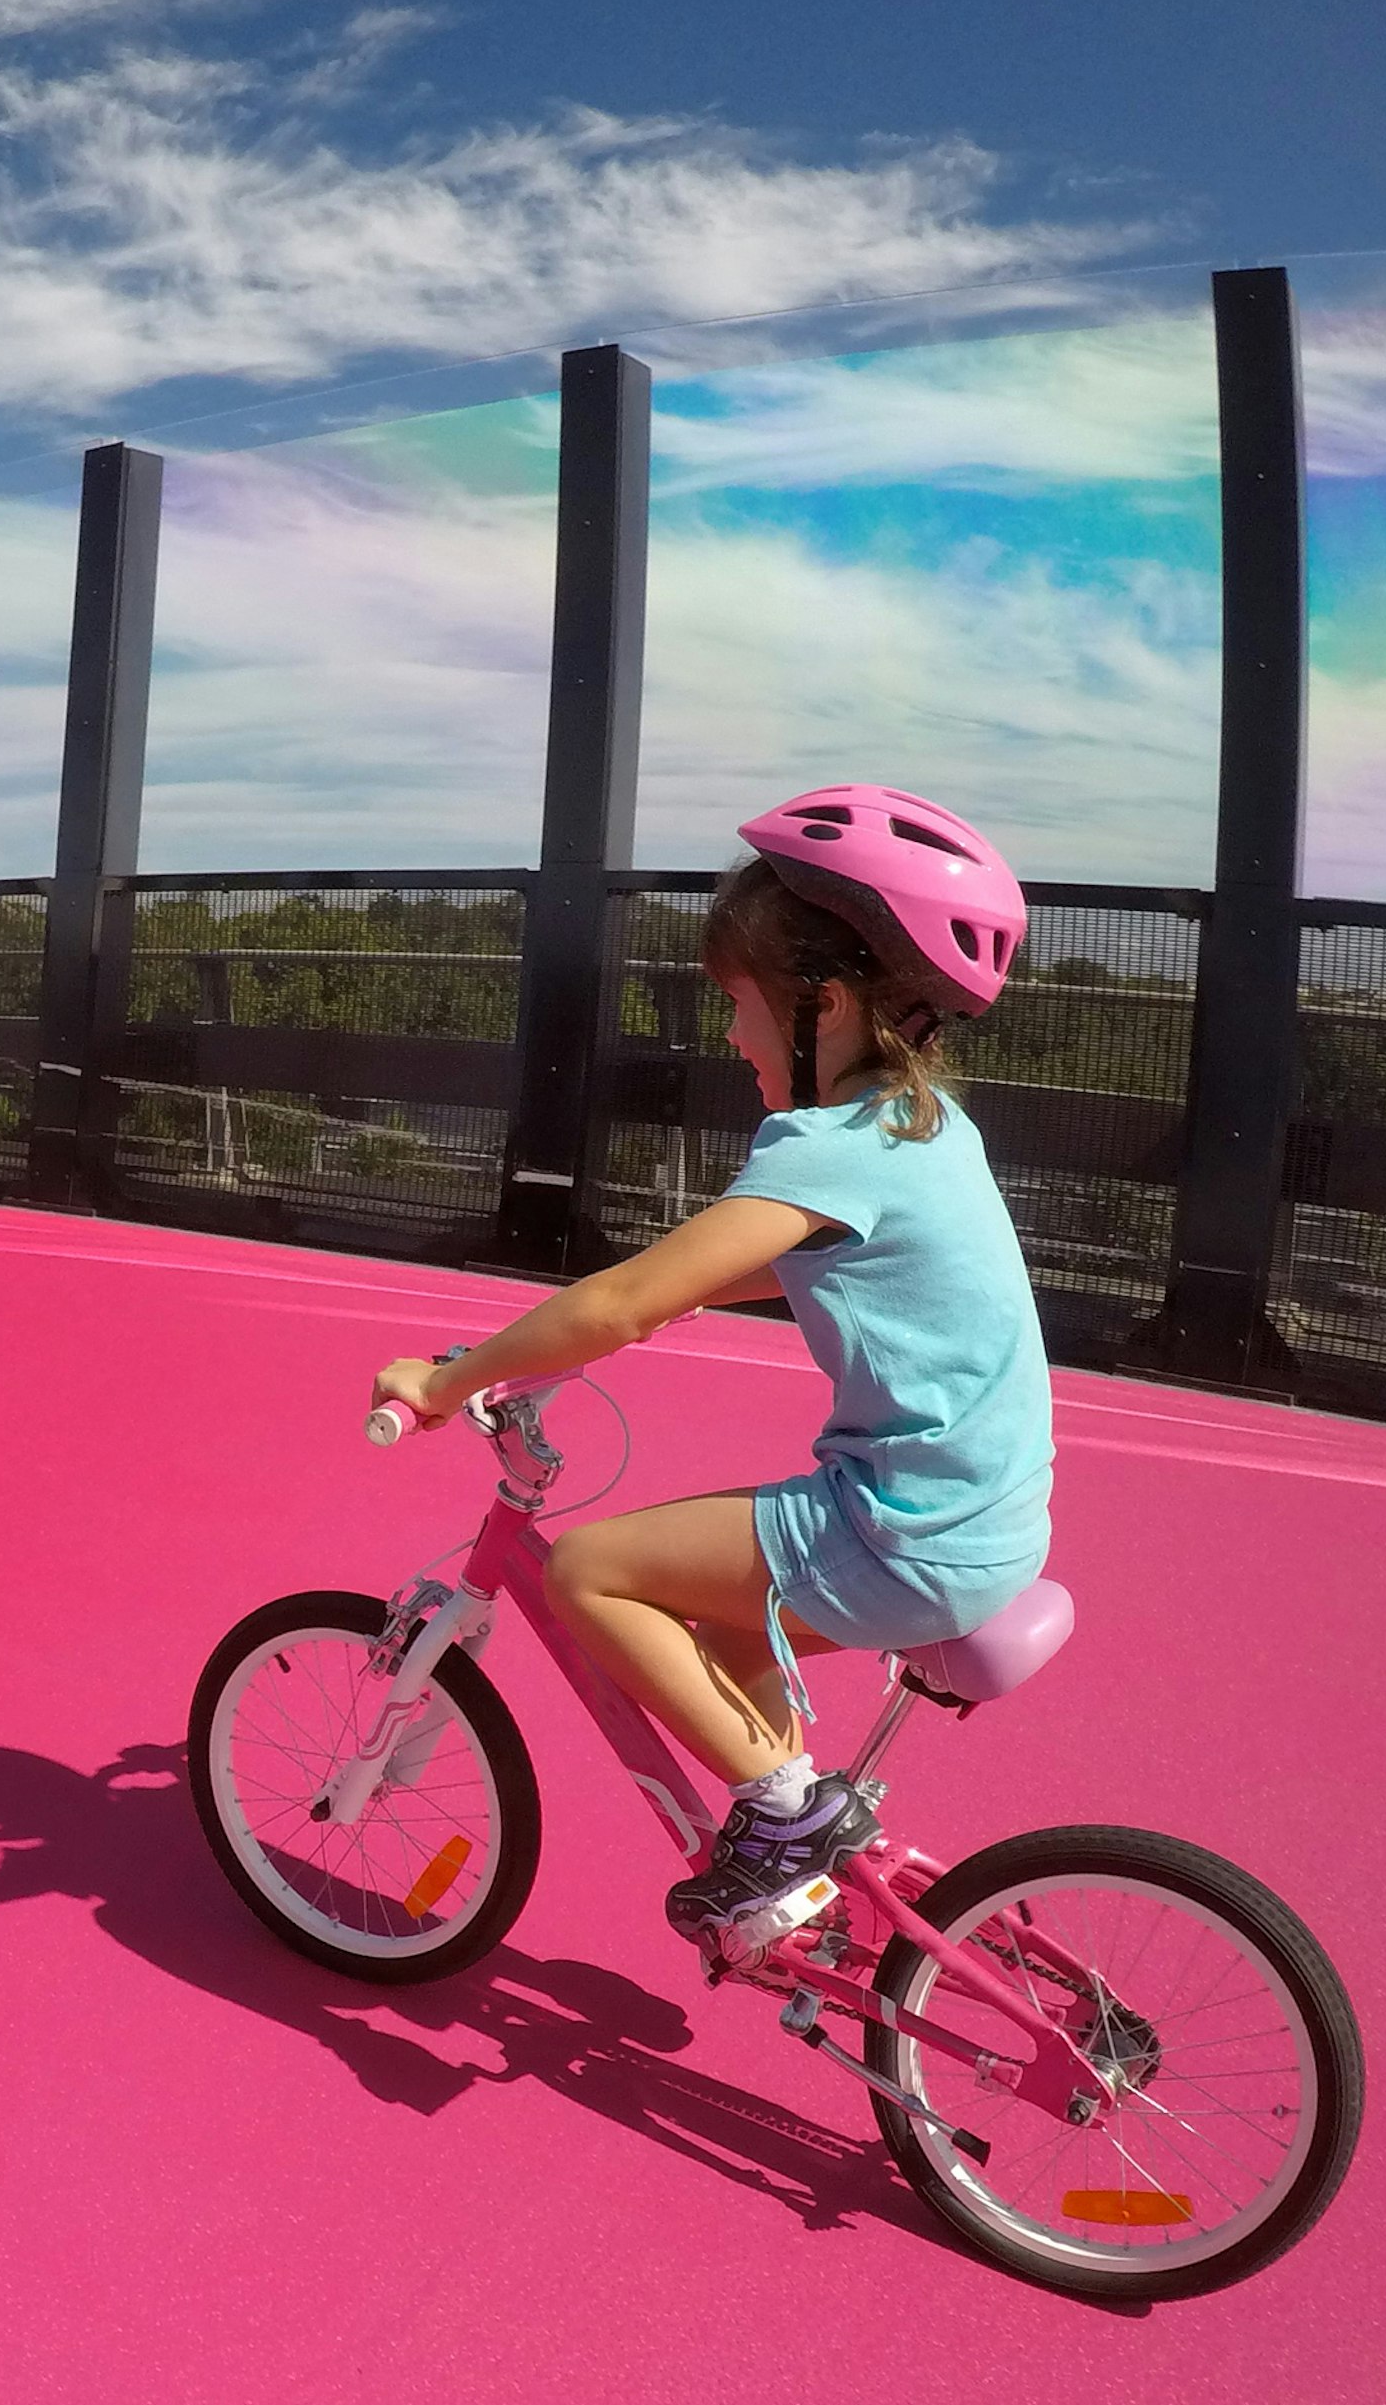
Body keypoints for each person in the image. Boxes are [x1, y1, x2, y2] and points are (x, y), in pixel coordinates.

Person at [372, 785, 1053, 1955]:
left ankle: (786, 1816)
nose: (731, 1038)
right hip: (992, 1525)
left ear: (823, 1005)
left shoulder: (827, 1147)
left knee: (590, 1571)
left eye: (737, 1006)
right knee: (726, 1631)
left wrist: (448, 1383)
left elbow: (625, 1301)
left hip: (904, 1533)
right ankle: (801, 1859)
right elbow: (782, 1268)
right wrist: (665, 1294)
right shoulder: (923, 1126)